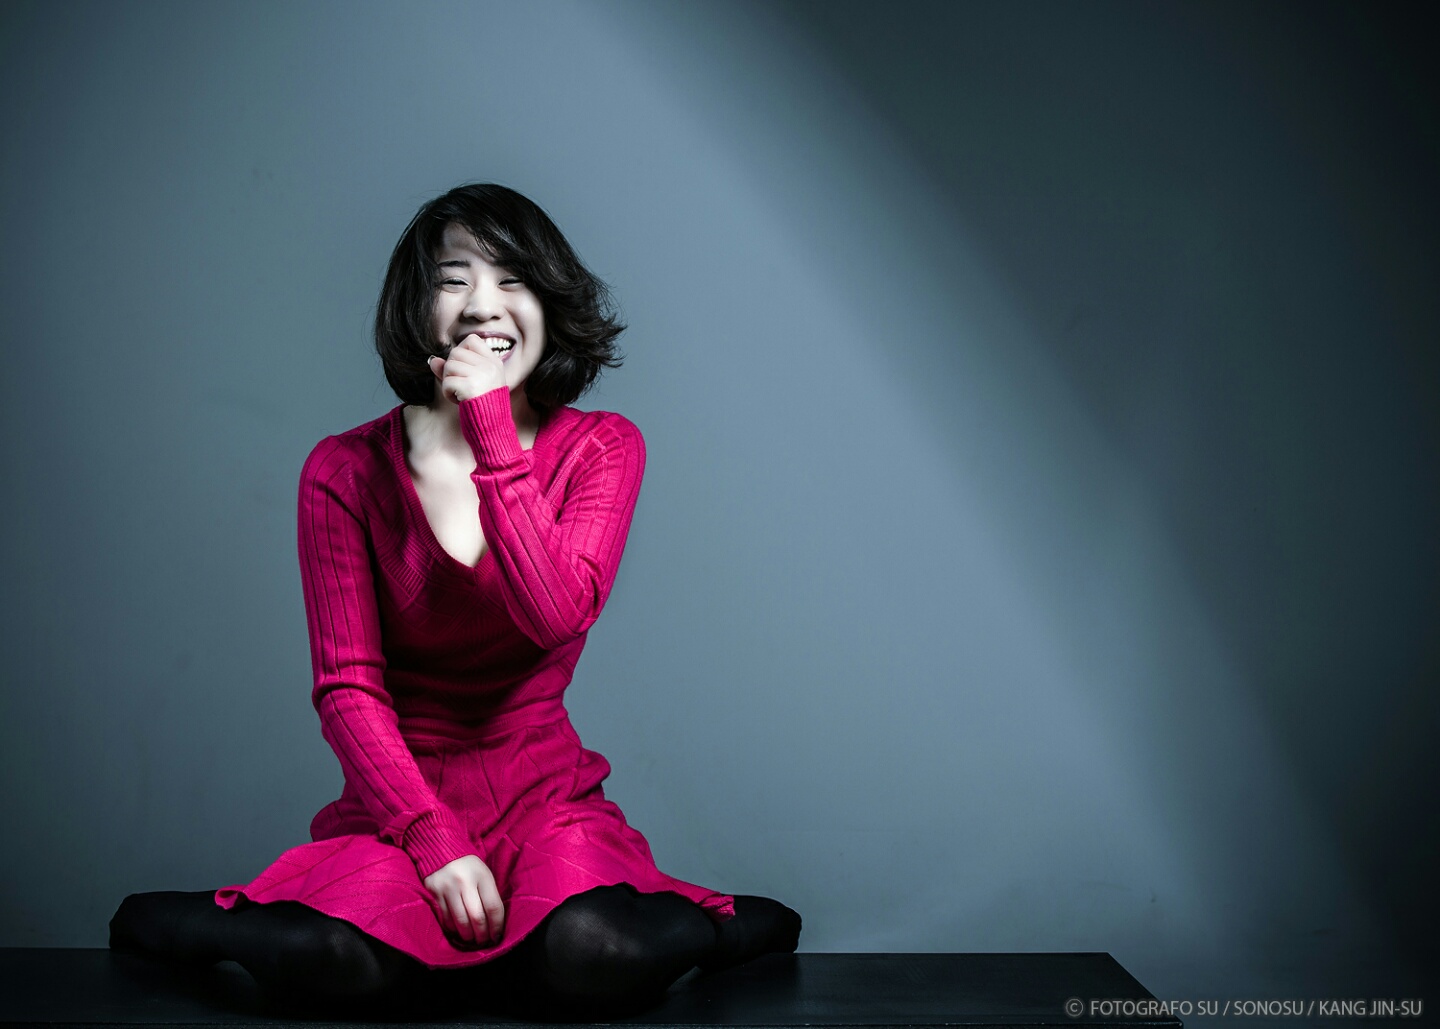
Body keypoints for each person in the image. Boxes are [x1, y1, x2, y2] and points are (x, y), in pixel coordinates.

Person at [108, 183, 801, 1018]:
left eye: (514, 280)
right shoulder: (342, 470)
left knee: (598, 951)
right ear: (417, 307)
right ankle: (217, 922)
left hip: (543, 797)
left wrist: (490, 433)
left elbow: (555, 614)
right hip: (397, 800)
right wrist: (431, 839)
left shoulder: (602, 447)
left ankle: (716, 928)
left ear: (550, 304)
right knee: (339, 960)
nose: (483, 304)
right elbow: (347, 688)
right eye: (453, 279)